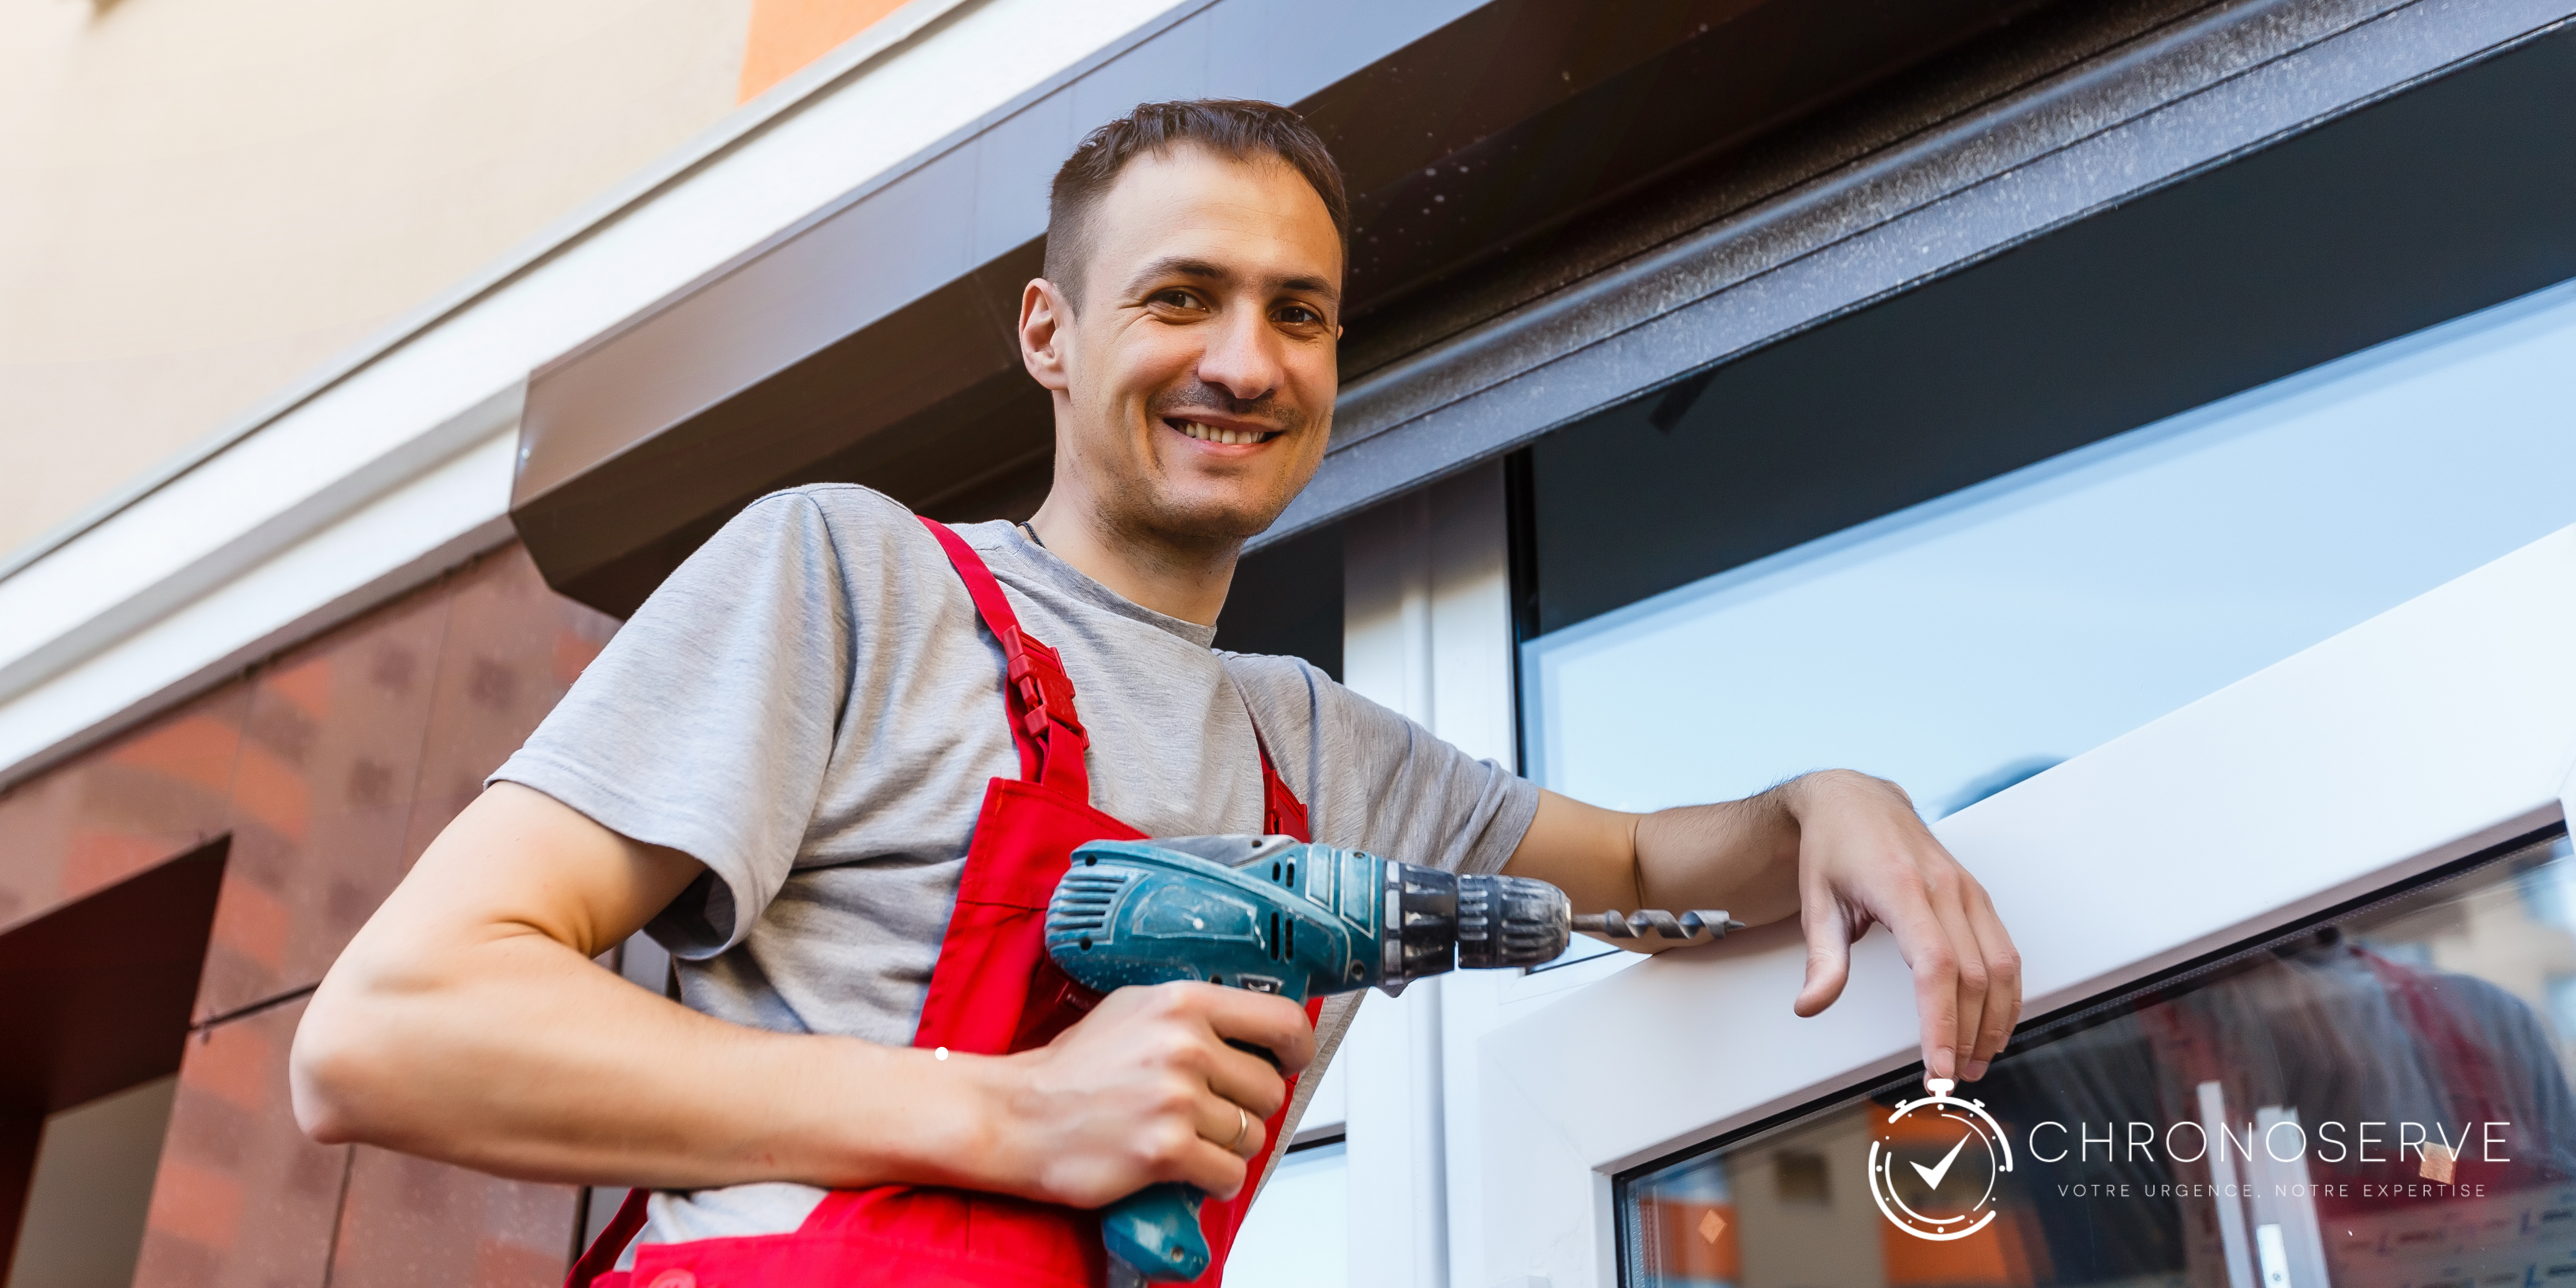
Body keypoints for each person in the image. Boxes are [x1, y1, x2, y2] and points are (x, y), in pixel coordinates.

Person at [290, 100, 2020, 1286]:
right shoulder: (856, 577)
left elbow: (1650, 870)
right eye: (1181, 297)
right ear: (1050, 333)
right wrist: (1014, 1112)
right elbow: (397, 1029)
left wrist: (1824, 804)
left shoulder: (1320, 758)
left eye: (1300, 314)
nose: (1244, 363)